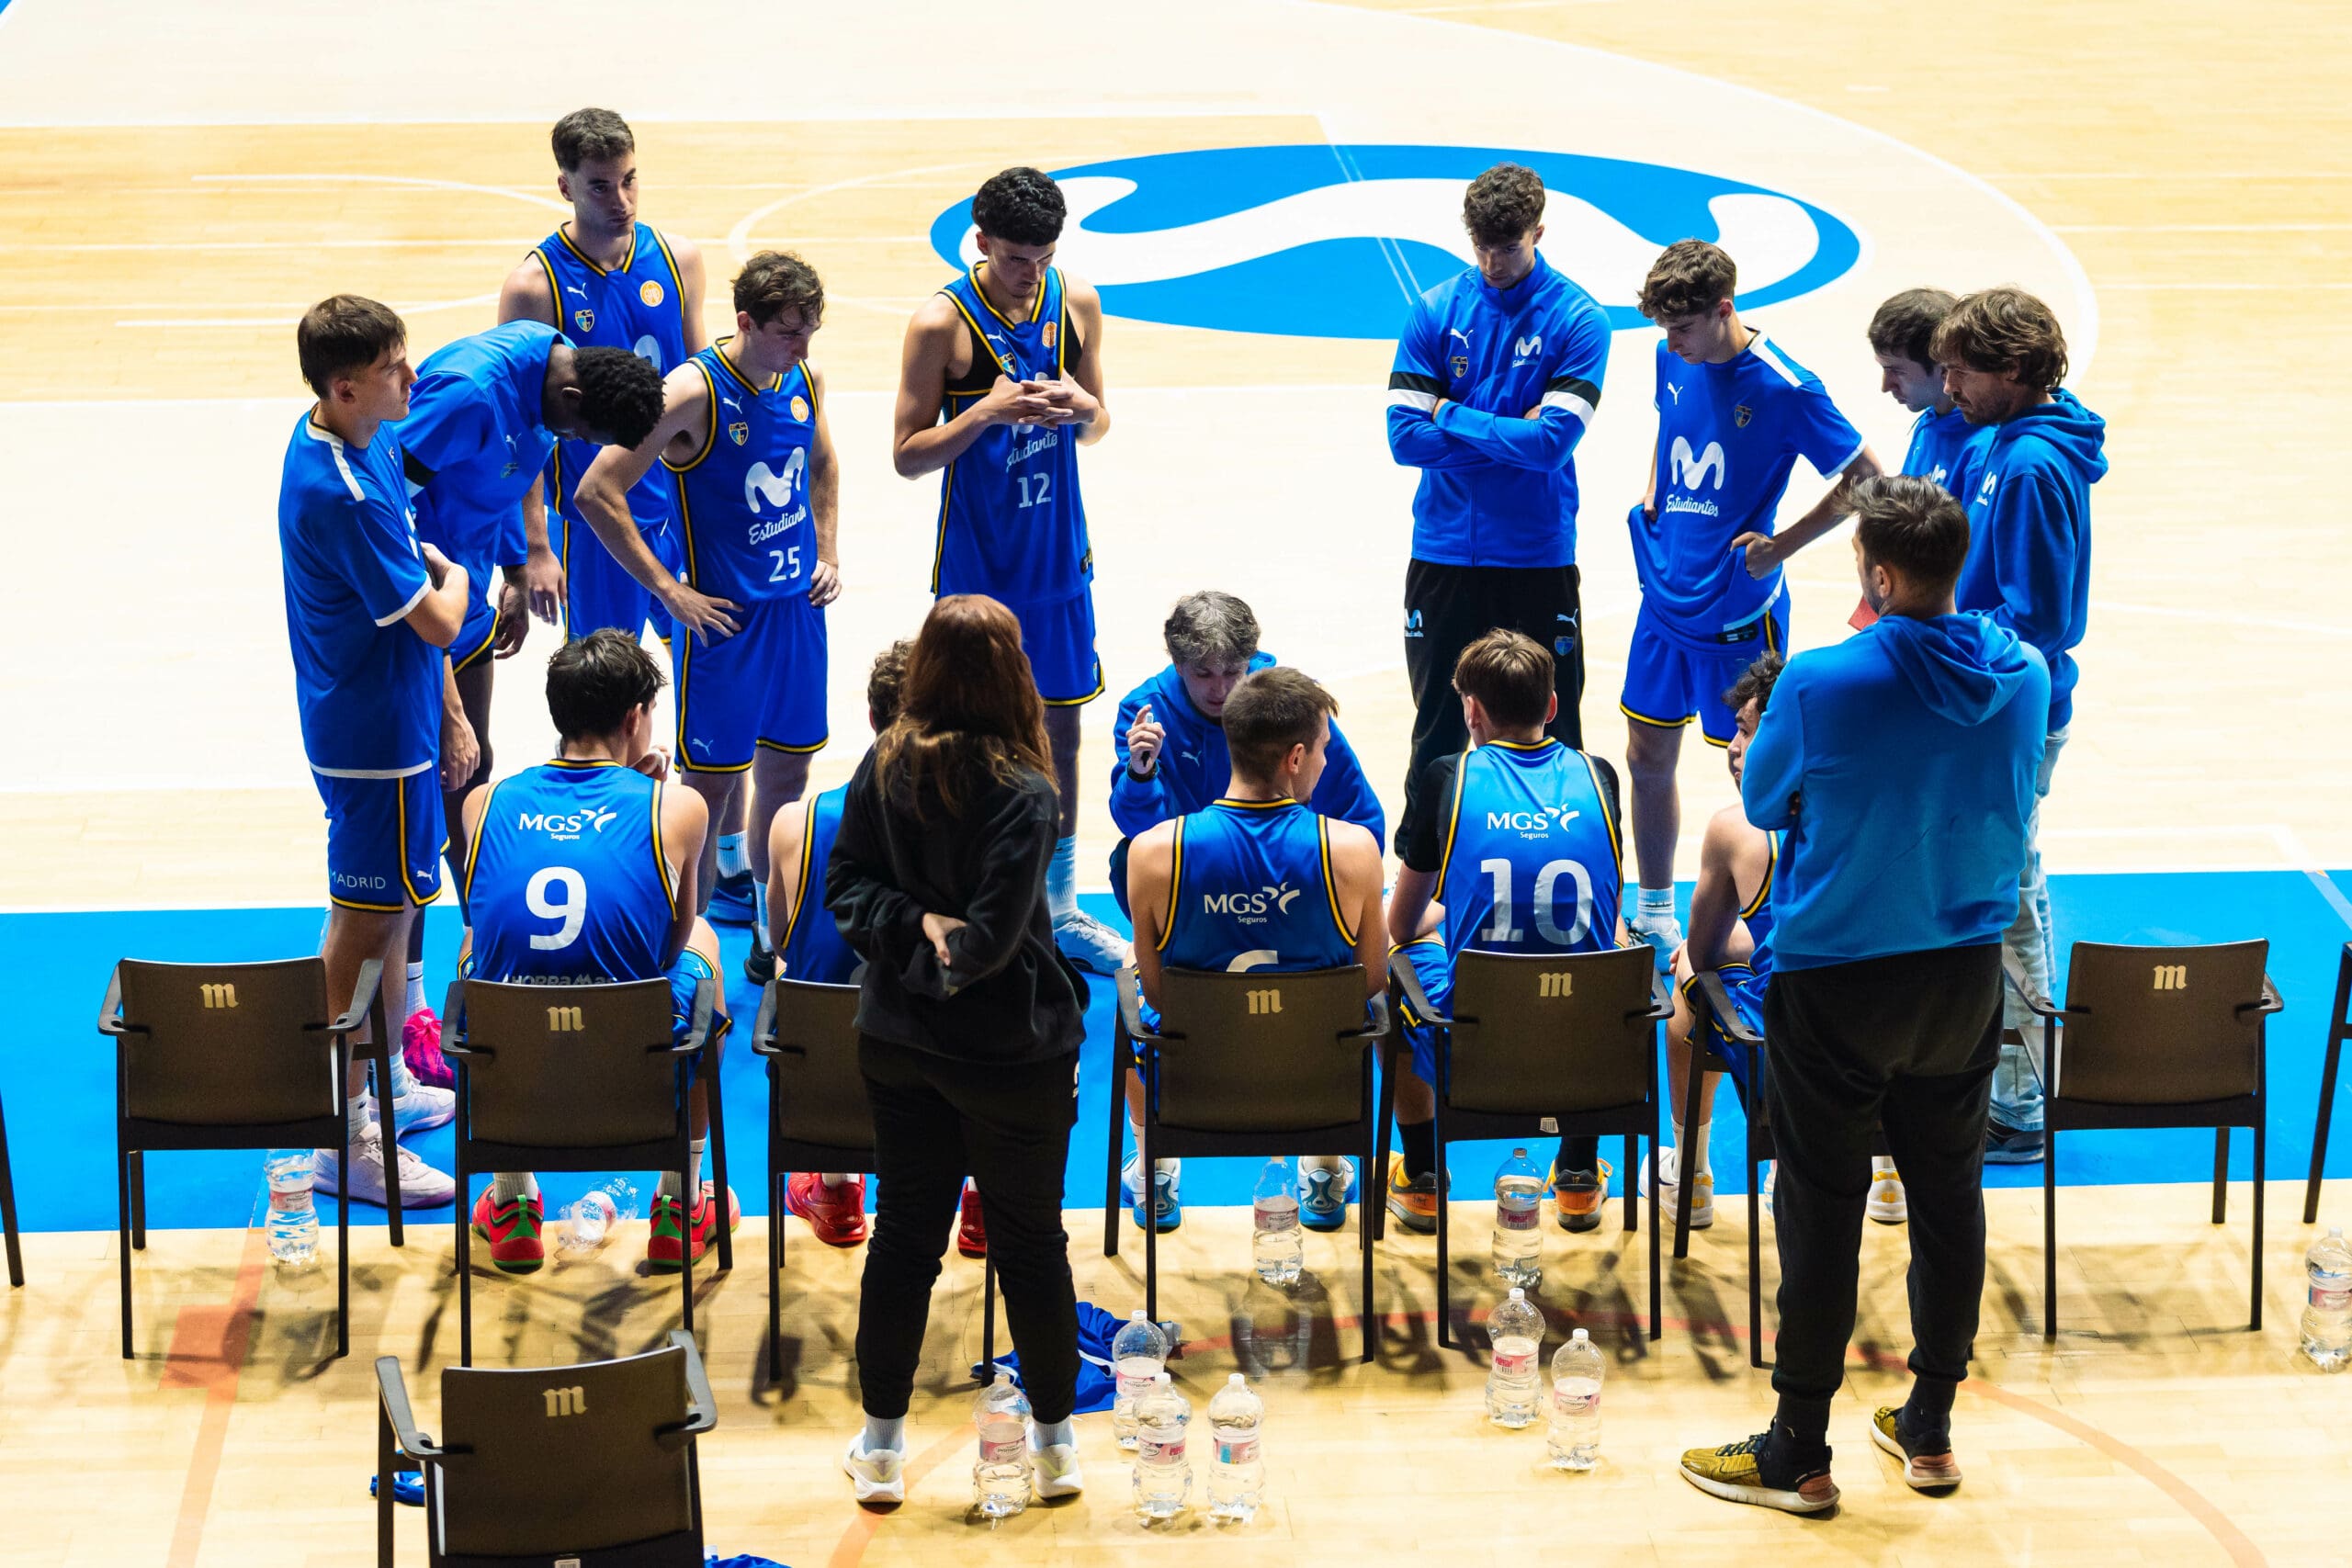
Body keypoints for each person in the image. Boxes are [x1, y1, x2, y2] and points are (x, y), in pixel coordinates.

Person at [1679, 475, 2046, 1516]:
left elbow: (1758, 797)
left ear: (1878, 573)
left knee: (1823, 1205)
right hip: (1965, 974)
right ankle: (1927, 1426)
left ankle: (1799, 1446)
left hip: (1838, 976)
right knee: (1946, 1195)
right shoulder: (2018, 676)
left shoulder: (1821, 681)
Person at [827, 595, 1091, 1507]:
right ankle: (1055, 1452)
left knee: (903, 1241)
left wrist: (912, 936)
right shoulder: (1026, 791)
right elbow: (987, 940)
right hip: (1010, 1055)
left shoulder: (885, 763)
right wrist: (934, 934)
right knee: (1028, 1244)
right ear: (1014, 672)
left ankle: (882, 1450)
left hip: (901, 1042)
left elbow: (855, 894)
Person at [573, 252, 843, 989]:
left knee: (789, 773)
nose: (804, 347)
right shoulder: (692, 391)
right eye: (789, 332)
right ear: (746, 322)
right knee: (709, 790)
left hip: (797, 615)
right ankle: (675, 941)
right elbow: (597, 491)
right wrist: (669, 591)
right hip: (725, 629)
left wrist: (829, 546)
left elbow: (822, 464)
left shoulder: (804, 378)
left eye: (812, 330)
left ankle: (765, 925)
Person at [891, 166, 1128, 976]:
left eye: (1045, 254)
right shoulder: (941, 324)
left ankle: (1058, 906)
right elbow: (905, 456)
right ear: (982, 243)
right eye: (1018, 256)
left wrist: (1081, 408)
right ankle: (966, 891)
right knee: (966, 733)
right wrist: (986, 410)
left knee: (1062, 725)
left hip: (1057, 554)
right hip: (978, 566)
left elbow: (1099, 426)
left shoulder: (1078, 301)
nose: (1033, 270)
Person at [1621, 240, 1880, 966]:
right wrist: (1653, 495)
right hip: (1666, 594)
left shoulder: (1785, 386)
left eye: (1681, 329)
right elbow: (1669, 425)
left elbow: (1867, 477)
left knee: (1761, 767)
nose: (1670, 344)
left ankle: (1793, 916)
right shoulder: (1675, 356)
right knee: (1646, 752)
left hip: (1738, 611)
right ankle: (1653, 912)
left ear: (1724, 309)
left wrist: (1782, 544)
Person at [457, 630, 734, 1273]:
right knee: (706, 945)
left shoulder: (483, 803)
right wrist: (647, 796)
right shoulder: (678, 806)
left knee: (475, 947)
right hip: (629, 1065)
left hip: (523, 1062)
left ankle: (512, 1200)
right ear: (636, 717)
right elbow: (669, 943)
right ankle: (680, 1201)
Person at [277, 296, 463, 1210]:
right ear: (347, 386)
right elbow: (437, 613)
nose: (414, 379)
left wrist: (453, 713)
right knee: (362, 926)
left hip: (398, 718)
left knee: (389, 916)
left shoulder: (365, 438)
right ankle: (340, 1137)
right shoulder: (337, 491)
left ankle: (380, 1087)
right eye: (396, 369)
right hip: (369, 735)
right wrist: (464, 581)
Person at [1385, 163, 1611, 847]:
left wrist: (1450, 413)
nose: (1491, 260)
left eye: (1507, 246)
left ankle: (1570, 861)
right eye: (1480, 245)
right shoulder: (1435, 309)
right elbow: (1403, 438)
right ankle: (1420, 882)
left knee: (1553, 721)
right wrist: (1508, 427)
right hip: (1444, 550)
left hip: (1536, 555)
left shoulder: (1579, 318)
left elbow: (1550, 446)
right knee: (1440, 724)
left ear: (1538, 230)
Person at [1933, 288, 2108, 1165]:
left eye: (1964, 366)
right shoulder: (2002, 436)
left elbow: (2039, 622)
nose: (1948, 379)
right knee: (2012, 881)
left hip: (2011, 708)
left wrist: (1944, 646)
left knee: (2009, 895)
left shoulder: (2034, 467)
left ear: (2013, 369)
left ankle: (2024, 1100)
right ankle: (2014, 1077)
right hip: (1993, 700)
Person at [1123, 668, 1388, 1234]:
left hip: (1199, 1091)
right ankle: (1320, 1168)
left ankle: (1156, 1168)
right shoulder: (1354, 851)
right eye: (1322, 748)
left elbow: (1159, 991)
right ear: (1294, 759)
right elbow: (1371, 981)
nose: (1324, 760)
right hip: (1316, 1087)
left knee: (1130, 982)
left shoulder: (1150, 854)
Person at [1385, 629, 1627, 1233]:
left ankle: (1420, 1178)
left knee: (1400, 955)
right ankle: (1575, 1175)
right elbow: (1607, 898)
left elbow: (1401, 922)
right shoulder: (1599, 774)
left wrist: (1448, 909)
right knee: (1608, 948)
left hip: (1477, 1049)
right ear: (1551, 707)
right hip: (1588, 1050)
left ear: (1471, 711)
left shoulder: (1448, 776)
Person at [1656, 654, 1906, 1229]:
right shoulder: (1879, 812)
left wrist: (1721, 945)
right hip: (1885, 1045)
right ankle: (1889, 1175)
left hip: (1790, 1052)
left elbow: (1706, 949)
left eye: (1747, 730)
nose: (1733, 747)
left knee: (1690, 986)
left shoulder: (1736, 828)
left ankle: (1690, 1177)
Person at [1109, 592, 1385, 915]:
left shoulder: (1289, 704)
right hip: (1198, 868)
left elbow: (1358, 815)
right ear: (1178, 665)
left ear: (1250, 660)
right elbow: (1140, 831)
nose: (1220, 689)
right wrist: (1140, 777)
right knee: (1128, 860)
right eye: (1204, 674)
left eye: (1232, 672)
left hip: (1285, 866)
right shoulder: (1146, 712)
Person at [768, 640, 911, 1250]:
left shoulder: (797, 821)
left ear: (874, 719)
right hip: (944, 1090)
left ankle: (835, 1187)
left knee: (792, 969)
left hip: (831, 1080)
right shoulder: (992, 824)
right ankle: (982, 1199)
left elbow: (782, 941)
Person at [1849, 288, 1984, 630]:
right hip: (1913, 635)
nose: (1885, 385)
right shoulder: (1930, 423)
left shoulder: (1983, 449)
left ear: (1942, 369)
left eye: (1896, 371)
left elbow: (1969, 572)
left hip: (1949, 651)